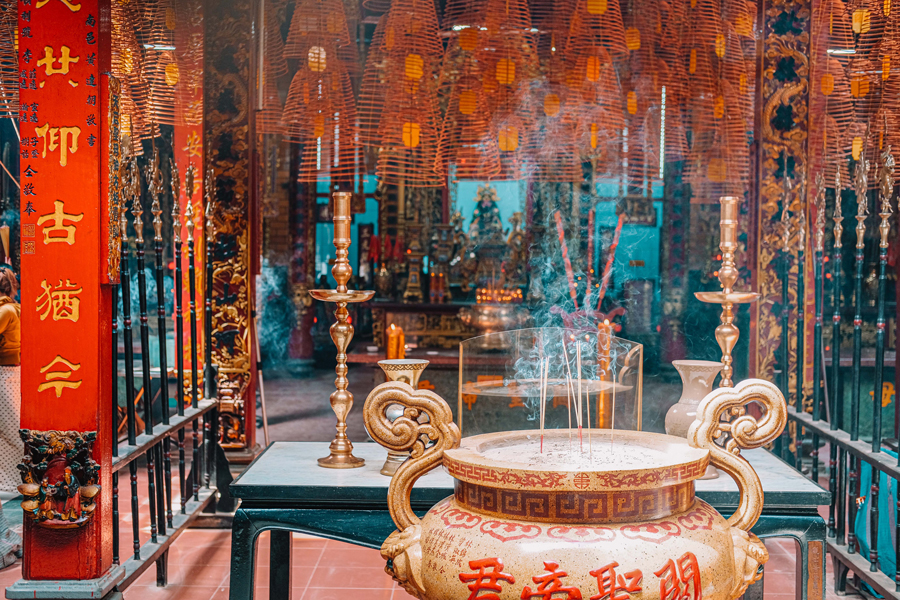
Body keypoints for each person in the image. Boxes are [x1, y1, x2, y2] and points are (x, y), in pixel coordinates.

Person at [0, 268, 22, 566]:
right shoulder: (10, 307)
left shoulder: (5, 310)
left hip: (4, 377)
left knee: (12, 436)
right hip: (9, 376)